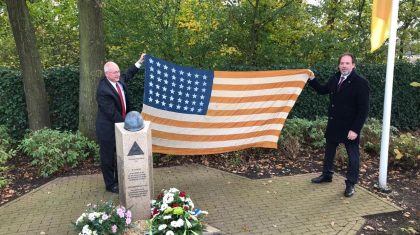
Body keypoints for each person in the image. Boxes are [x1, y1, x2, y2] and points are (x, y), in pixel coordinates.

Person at [308, 52, 370, 197]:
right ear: (339, 65)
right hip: (334, 123)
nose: (344, 66)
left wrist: (355, 129)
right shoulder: (336, 78)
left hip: (350, 127)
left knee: (353, 156)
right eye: (342, 63)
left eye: (347, 63)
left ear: (353, 65)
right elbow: (323, 90)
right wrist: (312, 79)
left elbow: (364, 109)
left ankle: (350, 184)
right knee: (329, 151)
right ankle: (327, 175)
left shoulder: (361, 82)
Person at [96, 53, 145, 193]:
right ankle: (110, 185)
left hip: (120, 125)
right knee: (107, 157)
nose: (118, 74)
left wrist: (139, 62)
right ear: (107, 74)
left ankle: (119, 180)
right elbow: (112, 113)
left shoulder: (119, 80)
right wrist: (129, 124)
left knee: (121, 154)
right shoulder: (103, 90)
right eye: (115, 72)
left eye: (118, 71)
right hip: (108, 128)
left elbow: (128, 74)